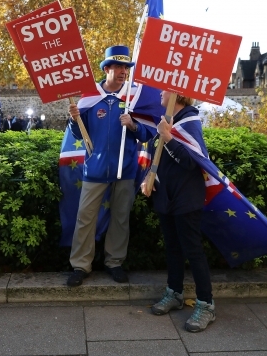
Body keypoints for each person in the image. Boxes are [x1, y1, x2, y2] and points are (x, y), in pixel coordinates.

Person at [66, 45, 151, 287]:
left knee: (120, 218)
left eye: (127, 67)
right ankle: (81, 265)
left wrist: (134, 126)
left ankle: (114, 262)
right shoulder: (90, 98)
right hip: (94, 169)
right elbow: (79, 134)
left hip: (125, 170)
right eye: (119, 66)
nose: (124, 71)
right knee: (85, 218)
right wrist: (74, 119)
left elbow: (146, 134)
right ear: (107, 69)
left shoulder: (134, 98)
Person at [140, 91, 215, 333]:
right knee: (172, 247)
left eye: (165, 90)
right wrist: (147, 179)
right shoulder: (167, 119)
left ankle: (206, 305)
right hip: (166, 196)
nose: (160, 92)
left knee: (193, 251)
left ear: (178, 94)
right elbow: (157, 157)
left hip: (186, 198)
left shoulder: (189, 121)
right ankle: (175, 293)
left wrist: (168, 137)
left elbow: (192, 161)